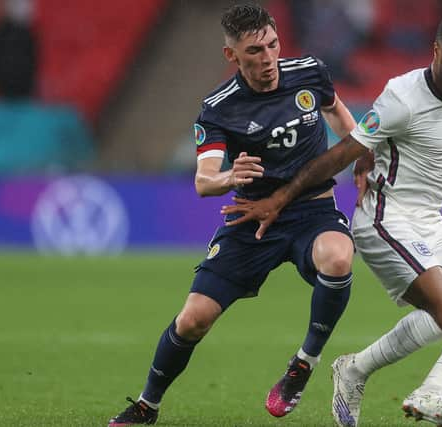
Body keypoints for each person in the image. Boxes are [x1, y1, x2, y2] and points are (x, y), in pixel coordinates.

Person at [221, 12, 442, 427]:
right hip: (385, 218)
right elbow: (343, 151)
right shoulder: (402, 98)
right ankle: (384, 380)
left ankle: (413, 386)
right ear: (437, 51)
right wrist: (279, 198)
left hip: (429, 220)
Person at [108, 4, 357, 425]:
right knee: (192, 321)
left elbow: (337, 113)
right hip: (250, 220)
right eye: (255, 51)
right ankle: (147, 405)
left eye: (273, 45)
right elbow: (204, 181)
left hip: (312, 210)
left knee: (338, 257)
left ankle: (303, 364)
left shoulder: (310, 72)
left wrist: (359, 150)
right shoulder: (220, 108)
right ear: (233, 57)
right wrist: (229, 177)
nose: (268, 60)